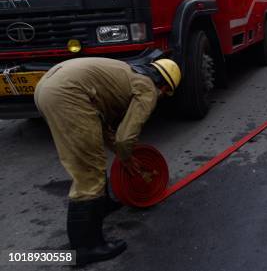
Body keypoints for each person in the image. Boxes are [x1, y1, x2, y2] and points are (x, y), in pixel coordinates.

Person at [34, 57, 181, 266]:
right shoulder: (148, 88)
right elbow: (125, 138)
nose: (162, 96)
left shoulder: (127, 73)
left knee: (92, 154)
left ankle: (102, 204)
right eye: (165, 93)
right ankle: (85, 249)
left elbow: (104, 129)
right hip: (67, 95)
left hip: (45, 88)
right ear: (165, 87)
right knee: (88, 171)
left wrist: (122, 152)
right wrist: (127, 157)